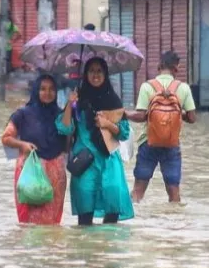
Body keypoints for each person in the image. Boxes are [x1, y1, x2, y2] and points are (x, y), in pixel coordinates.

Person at [57, 57, 134, 226]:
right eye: (91, 71)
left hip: (109, 162)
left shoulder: (113, 101)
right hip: (85, 161)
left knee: (112, 211)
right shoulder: (78, 100)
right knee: (85, 216)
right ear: (85, 74)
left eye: (99, 71)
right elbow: (65, 129)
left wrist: (107, 124)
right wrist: (70, 105)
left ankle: (105, 250)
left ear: (105, 74)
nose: (95, 75)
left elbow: (124, 133)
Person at [126, 51, 196, 203]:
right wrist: (176, 113)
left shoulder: (147, 86)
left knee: (138, 191)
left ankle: (131, 219)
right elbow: (192, 118)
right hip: (171, 144)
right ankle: (174, 222)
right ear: (176, 68)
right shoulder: (183, 88)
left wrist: (125, 114)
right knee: (174, 193)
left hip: (148, 142)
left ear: (159, 66)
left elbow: (141, 116)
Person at [1, 74, 68, 224]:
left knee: (52, 225)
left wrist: (71, 107)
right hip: (30, 173)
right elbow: (6, 138)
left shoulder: (62, 116)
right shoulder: (22, 114)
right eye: (43, 89)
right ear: (36, 91)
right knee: (29, 225)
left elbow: (68, 144)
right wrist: (23, 145)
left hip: (55, 176)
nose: (47, 93)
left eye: (51, 89)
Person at [0, 17, 21, 89]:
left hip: (7, 49)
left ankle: (5, 83)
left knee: (6, 67)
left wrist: (11, 41)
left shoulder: (10, 25)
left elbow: (19, 34)